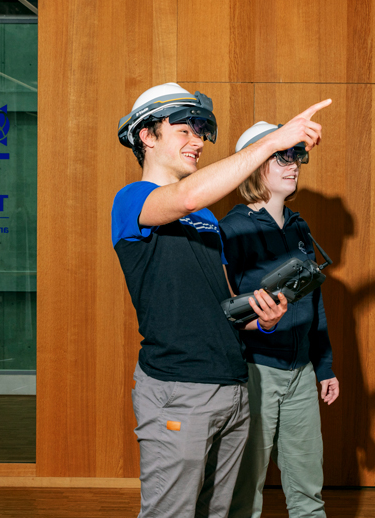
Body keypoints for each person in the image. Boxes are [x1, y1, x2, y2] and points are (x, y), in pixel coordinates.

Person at [111, 84, 331, 518]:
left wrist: (261, 318)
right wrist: (273, 141)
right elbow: (186, 196)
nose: (197, 141)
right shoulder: (131, 200)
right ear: (147, 136)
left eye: (200, 132)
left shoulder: (207, 218)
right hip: (178, 385)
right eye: (184, 131)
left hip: (232, 385)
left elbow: (224, 305)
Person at [220, 121, 339, 518]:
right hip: (256, 372)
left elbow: (315, 302)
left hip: (301, 372)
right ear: (254, 166)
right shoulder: (232, 230)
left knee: (308, 491)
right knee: (245, 491)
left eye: (296, 157)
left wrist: (324, 367)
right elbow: (223, 310)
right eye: (281, 157)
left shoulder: (299, 227)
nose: (294, 165)